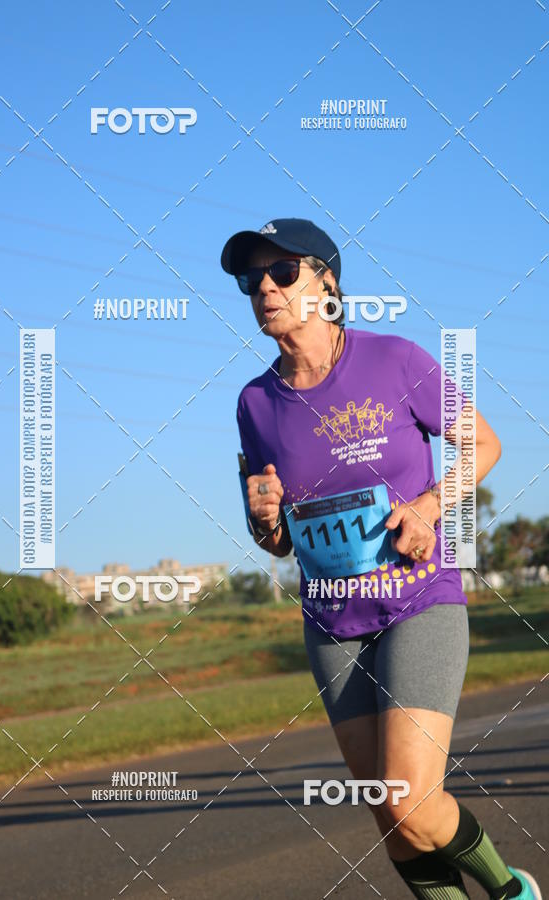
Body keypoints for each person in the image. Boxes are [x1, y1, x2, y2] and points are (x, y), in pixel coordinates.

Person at [221, 217, 542, 900]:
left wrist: (427, 507)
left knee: (411, 800)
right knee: (389, 816)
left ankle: (511, 890)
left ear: (327, 283)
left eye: (282, 273)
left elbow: (482, 445)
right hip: (333, 622)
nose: (265, 289)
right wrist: (263, 520)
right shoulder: (254, 404)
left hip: (417, 599)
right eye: (253, 280)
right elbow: (275, 542)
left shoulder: (394, 359)